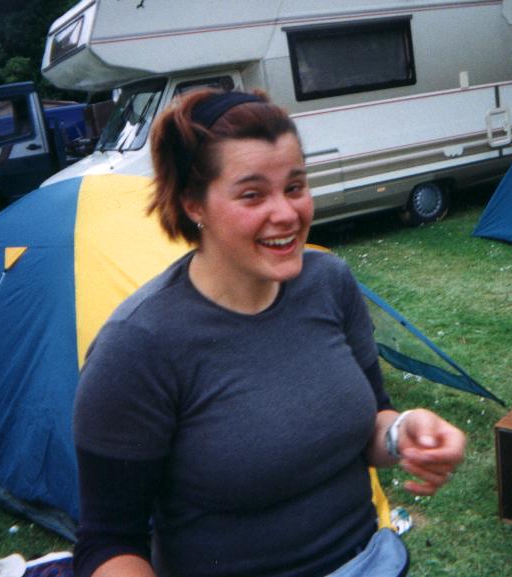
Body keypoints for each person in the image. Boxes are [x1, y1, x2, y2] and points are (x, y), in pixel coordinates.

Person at [71, 89, 466, 577]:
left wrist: (404, 431)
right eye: (253, 194)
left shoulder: (330, 283)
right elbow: (108, 542)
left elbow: (370, 423)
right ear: (193, 204)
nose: (286, 213)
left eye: (295, 187)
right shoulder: (137, 345)